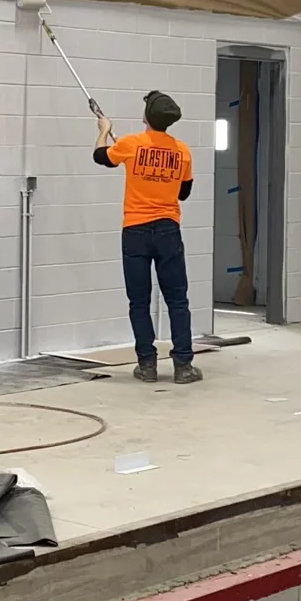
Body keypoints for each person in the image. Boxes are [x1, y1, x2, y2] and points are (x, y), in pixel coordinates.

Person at [93, 90, 200, 385]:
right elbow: (184, 193)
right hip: (168, 229)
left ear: (147, 117)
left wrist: (104, 131)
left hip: (136, 231)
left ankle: (147, 365)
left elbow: (100, 157)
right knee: (177, 300)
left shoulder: (130, 144)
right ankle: (183, 367)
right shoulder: (182, 151)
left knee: (138, 301)